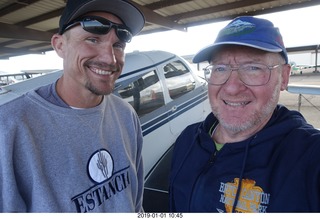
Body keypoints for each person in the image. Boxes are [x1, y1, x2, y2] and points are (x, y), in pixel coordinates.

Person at [0, 0, 145, 212]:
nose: (110, 58)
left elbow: (136, 202)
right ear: (60, 45)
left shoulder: (125, 114)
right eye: (93, 39)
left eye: (118, 45)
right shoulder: (11, 127)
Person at [169, 16, 320, 213]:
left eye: (253, 68)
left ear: (284, 77)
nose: (231, 88)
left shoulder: (309, 156)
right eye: (220, 68)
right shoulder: (188, 140)